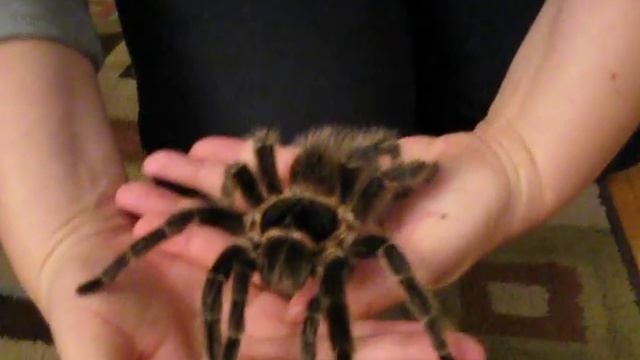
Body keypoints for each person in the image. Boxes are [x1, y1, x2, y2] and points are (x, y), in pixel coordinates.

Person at [1, 0, 639, 359]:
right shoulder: (252, 230)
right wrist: (72, 235)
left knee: (423, 186)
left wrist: (516, 158)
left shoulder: (344, 238)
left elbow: (385, 237)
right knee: (282, 109)